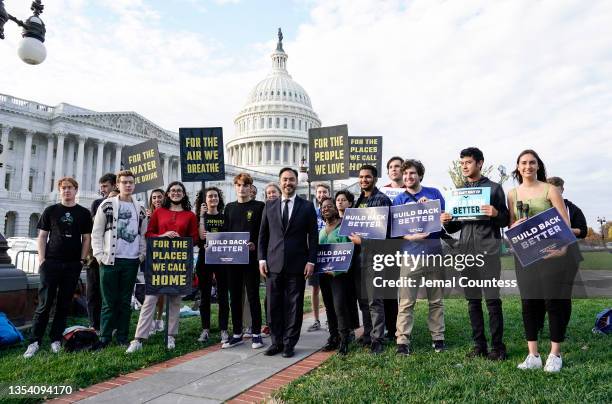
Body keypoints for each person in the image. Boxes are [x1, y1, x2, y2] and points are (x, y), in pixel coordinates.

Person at [508, 150, 581, 372]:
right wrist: (515, 226)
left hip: (551, 255)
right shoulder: (512, 194)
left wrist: (561, 249)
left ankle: (555, 355)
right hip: (526, 257)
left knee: (554, 303)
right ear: (518, 167)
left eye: (532, 162)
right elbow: (511, 226)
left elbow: (565, 224)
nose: (528, 166)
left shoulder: (550, 189)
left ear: (538, 166)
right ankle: (533, 355)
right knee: (529, 303)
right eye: (523, 163)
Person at [441, 147, 509, 360]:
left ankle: (498, 347)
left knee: (492, 300)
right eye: (462, 163)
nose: (464, 166)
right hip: (466, 252)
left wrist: (496, 213)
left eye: (468, 162)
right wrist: (446, 222)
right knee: (472, 301)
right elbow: (454, 229)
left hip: (488, 251)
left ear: (479, 163)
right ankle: (479, 346)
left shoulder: (495, 188)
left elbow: (506, 220)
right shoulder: (459, 192)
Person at [23, 177, 92, 358]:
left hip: (72, 264)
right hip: (51, 263)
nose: (67, 191)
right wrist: (42, 259)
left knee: (63, 304)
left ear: (76, 190)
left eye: (70, 188)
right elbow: (42, 236)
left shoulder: (83, 213)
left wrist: (81, 260)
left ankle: (55, 339)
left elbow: (86, 238)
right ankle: (34, 341)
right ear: (59, 191)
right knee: (44, 304)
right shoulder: (51, 210)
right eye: (63, 188)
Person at [126, 182, 198, 352]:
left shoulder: (190, 215)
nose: (176, 193)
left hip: (179, 261)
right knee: (151, 298)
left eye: (179, 191)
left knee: (175, 299)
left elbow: (194, 238)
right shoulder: (159, 212)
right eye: (172, 191)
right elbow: (149, 233)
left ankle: (171, 336)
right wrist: (163, 235)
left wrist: (181, 239)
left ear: (184, 194)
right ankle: (138, 338)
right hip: (159, 260)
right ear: (168, 194)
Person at [259, 167, 318, 358]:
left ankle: (289, 343)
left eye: (291, 179)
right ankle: (276, 342)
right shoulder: (269, 205)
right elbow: (263, 236)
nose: (288, 183)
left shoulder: (307, 206)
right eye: (284, 180)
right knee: (273, 305)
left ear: (296, 182)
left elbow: (314, 237)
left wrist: (311, 261)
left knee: (294, 305)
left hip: (297, 264)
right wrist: (261, 259)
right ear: (279, 181)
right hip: (273, 264)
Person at [393, 159, 446, 356]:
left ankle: (438, 338)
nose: (408, 177)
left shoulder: (434, 194)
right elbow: (396, 230)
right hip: (410, 255)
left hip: (434, 253)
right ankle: (403, 341)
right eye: (405, 174)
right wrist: (410, 236)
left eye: (412, 173)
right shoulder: (399, 199)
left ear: (420, 175)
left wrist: (431, 209)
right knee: (406, 301)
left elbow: (444, 220)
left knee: (436, 300)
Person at [91, 170, 148, 349]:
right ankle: (105, 336)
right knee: (108, 301)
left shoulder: (139, 208)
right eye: (124, 182)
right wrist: (99, 255)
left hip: (131, 260)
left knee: (124, 301)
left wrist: (141, 255)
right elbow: (97, 232)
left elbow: (143, 234)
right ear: (118, 184)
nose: (128, 185)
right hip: (110, 260)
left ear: (134, 184)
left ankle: (123, 336)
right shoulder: (107, 205)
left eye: (131, 182)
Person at [352, 164, 392, 354]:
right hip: (358, 259)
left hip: (374, 258)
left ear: (375, 179)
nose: (363, 180)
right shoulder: (358, 201)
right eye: (361, 177)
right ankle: (367, 334)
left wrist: (362, 240)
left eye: (367, 177)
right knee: (363, 300)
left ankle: (378, 339)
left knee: (375, 301)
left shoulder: (382, 200)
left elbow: (384, 234)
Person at [223, 173, 265, 350]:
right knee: (235, 298)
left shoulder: (259, 206)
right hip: (233, 260)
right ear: (235, 187)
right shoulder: (229, 208)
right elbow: (225, 232)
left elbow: (263, 232)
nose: (242, 188)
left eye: (245, 185)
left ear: (251, 188)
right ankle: (237, 333)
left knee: (253, 295)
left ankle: (256, 333)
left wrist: (255, 243)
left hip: (250, 259)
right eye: (239, 185)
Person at [318, 197, 355, 355]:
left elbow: (351, 251)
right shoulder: (320, 230)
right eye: (323, 207)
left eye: (329, 206)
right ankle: (333, 337)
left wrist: (337, 270)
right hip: (323, 275)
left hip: (339, 275)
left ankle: (344, 339)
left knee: (340, 306)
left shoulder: (344, 226)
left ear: (336, 208)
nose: (326, 209)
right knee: (329, 307)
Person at [195, 186, 230, 344]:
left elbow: (229, 237)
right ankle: (205, 329)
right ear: (205, 200)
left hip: (222, 260)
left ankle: (223, 329)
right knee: (205, 296)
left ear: (219, 199)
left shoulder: (224, 217)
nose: (213, 199)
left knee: (223, 296)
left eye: (215, 196)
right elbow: (202, 236)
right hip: (204, 260)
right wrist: (202, 216)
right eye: (210, 196)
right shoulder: (200, 218)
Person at [86, 173, 116, 333]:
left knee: (110, 293)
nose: (102, 189)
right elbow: (95, 223)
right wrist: (107, 200)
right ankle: (94, 324)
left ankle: (110, 325)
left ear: (114, 186)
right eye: (101, 186)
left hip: (114, 255)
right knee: (93, 292)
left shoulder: (123, 202)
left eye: (105, 186)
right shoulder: (98, 203)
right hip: (95, 256)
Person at [381, 157, 404, 341]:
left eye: (397, 166)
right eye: (391, 167)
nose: (394, 169)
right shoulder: (382, 192)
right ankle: (391, 327)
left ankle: (404, 327)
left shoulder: (412, 189)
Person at [308, 183, 331, 332]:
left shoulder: (332, 212)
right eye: (319, 192)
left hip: (330, 254)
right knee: (315, 289)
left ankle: (330, 318)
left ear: (328, 193)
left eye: (324, 192)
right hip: (315, 254)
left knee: (329, 289)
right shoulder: (312, 212)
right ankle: (316, 319)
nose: (321, 194)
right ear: (316, 195)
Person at [147, 188, 165, 335]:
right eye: (154, 198)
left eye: (159, 197)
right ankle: (151, 320)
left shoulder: (166, 213)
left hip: (163, 254)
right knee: (151, 290)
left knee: (161, 291)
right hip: (149, 254)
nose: (157, 200)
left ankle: (159, 319)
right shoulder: (146, 214)